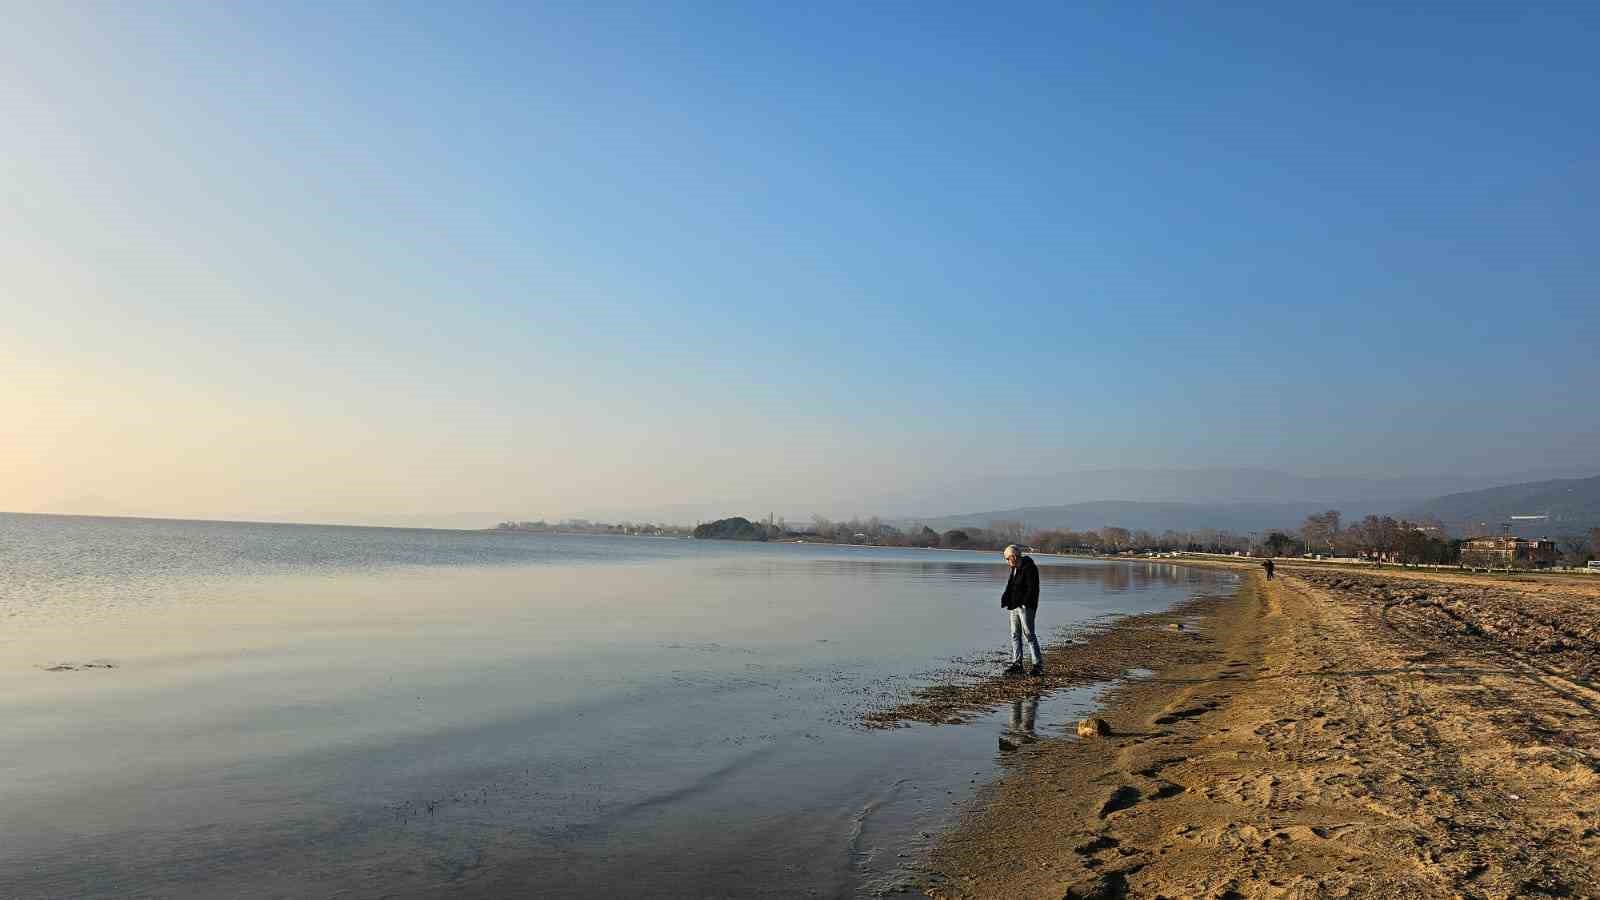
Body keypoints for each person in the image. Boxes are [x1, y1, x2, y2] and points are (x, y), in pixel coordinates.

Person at [1000, 544, 1043, 676]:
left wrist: (1024, 603)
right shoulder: (1014, 569)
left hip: (1026, 607)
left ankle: (1037, 665)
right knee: (1015, 635)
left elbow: (1033, 589)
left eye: (1007, 558)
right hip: (1014, 606)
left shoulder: (1029, 568)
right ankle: (1017, 664)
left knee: (1029, 635)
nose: (1007, 561)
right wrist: (1005, 598)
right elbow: (1010, 586)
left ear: (1013, 556)